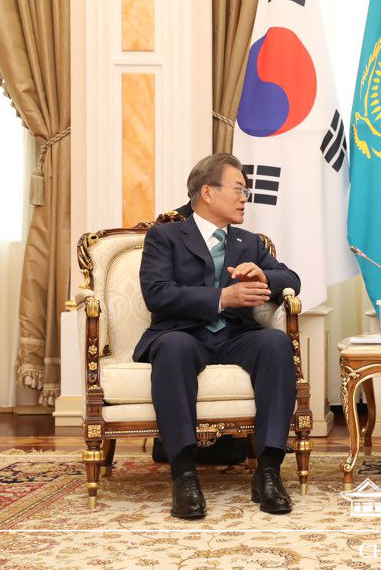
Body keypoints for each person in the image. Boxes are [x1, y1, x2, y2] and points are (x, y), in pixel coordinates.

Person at [133, 153, 301, 519]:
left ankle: (269, 471)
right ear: (207, 192)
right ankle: (185, 476)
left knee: (274, 342)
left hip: (234, 336)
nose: (245, 198)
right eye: (239, 189)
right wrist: (222, 297)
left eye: (247, 191)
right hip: (182, 332)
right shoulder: (165, 236)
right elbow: (157, 293)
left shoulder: (249, 242)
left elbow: (292, 279)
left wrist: (266, 277)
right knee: (173, 348)